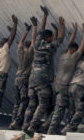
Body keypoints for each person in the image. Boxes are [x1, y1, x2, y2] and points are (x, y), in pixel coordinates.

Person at [24, 7, 65, 137]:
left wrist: (45, 17)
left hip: (34, 79)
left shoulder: (37, 43)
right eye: (51, 37)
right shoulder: (49, 46)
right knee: (43, 104)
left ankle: (29, 124)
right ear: (48, 38)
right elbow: (61, 39)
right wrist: (62, 26)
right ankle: (32, 126)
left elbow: (41, 31)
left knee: (35, 103)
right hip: (43, 80)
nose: (52, 39)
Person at [47, 23, 84, 135]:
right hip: (63, 86)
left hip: (56, 84)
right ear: (74, 49)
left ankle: (47, 124)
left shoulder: (63, 55)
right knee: (60, 109)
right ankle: (50, 130)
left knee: (58, 106)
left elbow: (70, 43)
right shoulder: (73, 56)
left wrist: (75, 30)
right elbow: (83, 46)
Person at [9, 17, 37, 130]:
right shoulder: (30, 53)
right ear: (29, 46)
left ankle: (13, 121)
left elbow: (20, 41)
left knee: (17, 102)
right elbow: (34, 40)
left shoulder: (19, 51)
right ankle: (17, 121)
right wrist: (35, 26)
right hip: (25, 78)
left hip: (16, 78)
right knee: (24, 101)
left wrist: (26, 30)